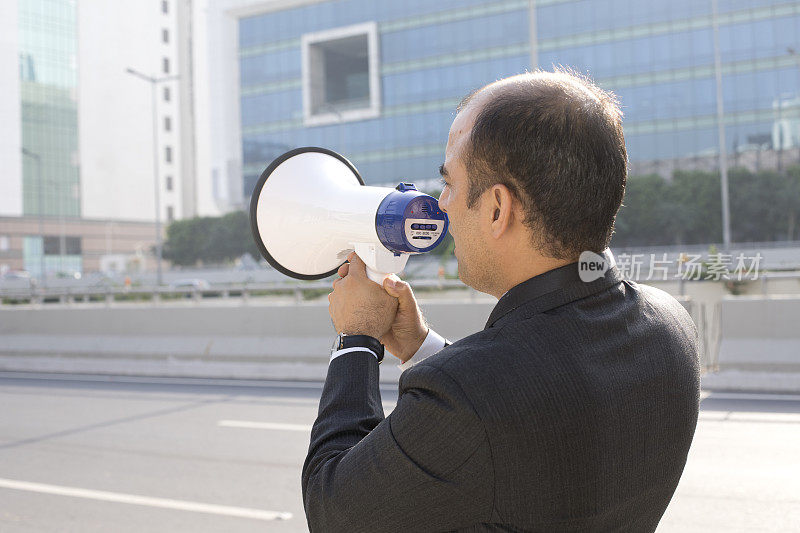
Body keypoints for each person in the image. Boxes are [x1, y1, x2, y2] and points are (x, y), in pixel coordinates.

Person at [302, 70, 700, 532]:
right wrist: (421, 347)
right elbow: (533, 412)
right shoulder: (672, 325)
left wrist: (357, 338)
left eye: (448, 183)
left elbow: (335, 511)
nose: (442, 205)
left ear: (497, 208)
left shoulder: (469, 392)